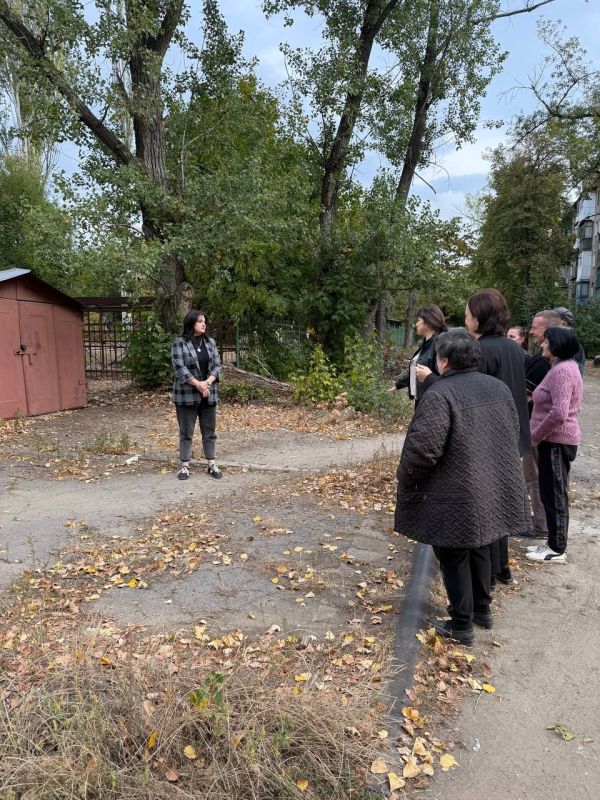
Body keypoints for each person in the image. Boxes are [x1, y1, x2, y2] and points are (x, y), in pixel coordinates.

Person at [395, 329, 527, 645]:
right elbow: (512, 429)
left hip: (456, 490)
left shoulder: (440, 395)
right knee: (481, 543)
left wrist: (405, 476)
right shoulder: (497, 387)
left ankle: (461, 622)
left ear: (443, 361)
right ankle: (482, 610)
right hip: (491, 482)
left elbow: (424, 449)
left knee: (452, 552)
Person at [526, 326, 583, 564]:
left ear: (556, 344)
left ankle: (558, 548)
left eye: (546, 341)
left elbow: (559, 413)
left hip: (557, 442)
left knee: (556, 495)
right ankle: (552, 542)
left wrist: (535, 435)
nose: (541, 344)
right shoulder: (559, 368)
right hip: (552, 441)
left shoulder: (562, 371)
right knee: (549, 494)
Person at [171, 310, 223, 480]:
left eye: (204, 321)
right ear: (191, 323)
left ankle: (211, 464)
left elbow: (217, 366)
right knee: (186, 431)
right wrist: (198, 384)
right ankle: (185, 466)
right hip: (186, 395)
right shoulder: (180, 343)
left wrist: (206, 383)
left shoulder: (210, 343)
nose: (204, 324)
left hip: (209, 393)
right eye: (200, 321)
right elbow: (180, 368)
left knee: (209, 431)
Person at [390, 306, 447, 405]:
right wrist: (398, 385)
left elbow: (446, 378)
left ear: (428, 324)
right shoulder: (425, 343)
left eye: (418, 320)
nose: (415, 324)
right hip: (422, 398)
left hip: (432, 401)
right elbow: (416, 371)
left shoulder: (439, 344)